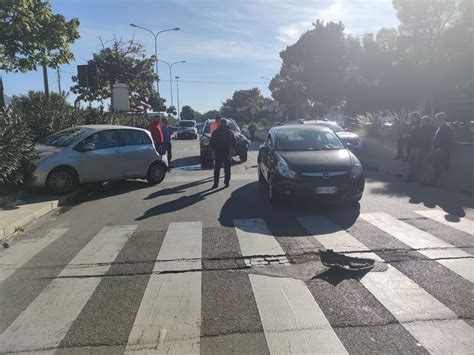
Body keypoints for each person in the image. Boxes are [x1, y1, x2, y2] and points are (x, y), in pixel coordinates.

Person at [426, 112, 453, 185]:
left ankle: (434, 180)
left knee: (437, 165)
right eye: (436, 118)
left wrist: (440, 148)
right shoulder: (439, 127)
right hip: (436, 149)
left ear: (442, 118)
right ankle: (434, 179)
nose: (436, 120)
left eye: (438, 118)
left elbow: (447, 140)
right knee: (433, 164)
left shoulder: (447, 127)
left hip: (440, 150)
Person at [210, 118, 236, 189]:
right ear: (226, 123)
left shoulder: (215, 132)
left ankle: (216, 183)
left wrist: (214, 152)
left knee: (217, 169)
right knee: (227, 169)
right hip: (227, 152)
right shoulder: (230, 132)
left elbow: (211, 143)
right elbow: (233, 144)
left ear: (219, 124)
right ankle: (226, 183)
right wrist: (231, 153)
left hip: (218, 152)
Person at [404, 115, 423, 182]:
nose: (411, 119)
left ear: (417, 118)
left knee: (416, 162)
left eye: (412, 118)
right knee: (411, 161)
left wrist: (409, 136)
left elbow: (420, 135)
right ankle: (411, 175)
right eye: (411, 118)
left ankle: (414, 177)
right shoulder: (411, 125)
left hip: (418, 146)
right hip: (413, 146)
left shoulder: (420, 125)